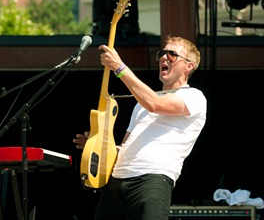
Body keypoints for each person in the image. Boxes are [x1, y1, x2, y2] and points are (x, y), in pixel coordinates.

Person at [73, 35, 207, 220]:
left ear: (189, 65)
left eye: (172, 54)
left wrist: (120, 68)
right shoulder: (140, 104)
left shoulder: (194, 97)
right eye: (161, 53)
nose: (163, 58)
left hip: (152, 178)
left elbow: (155, 104)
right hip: (117, 182)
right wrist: (96, 145)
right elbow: (123, 148)